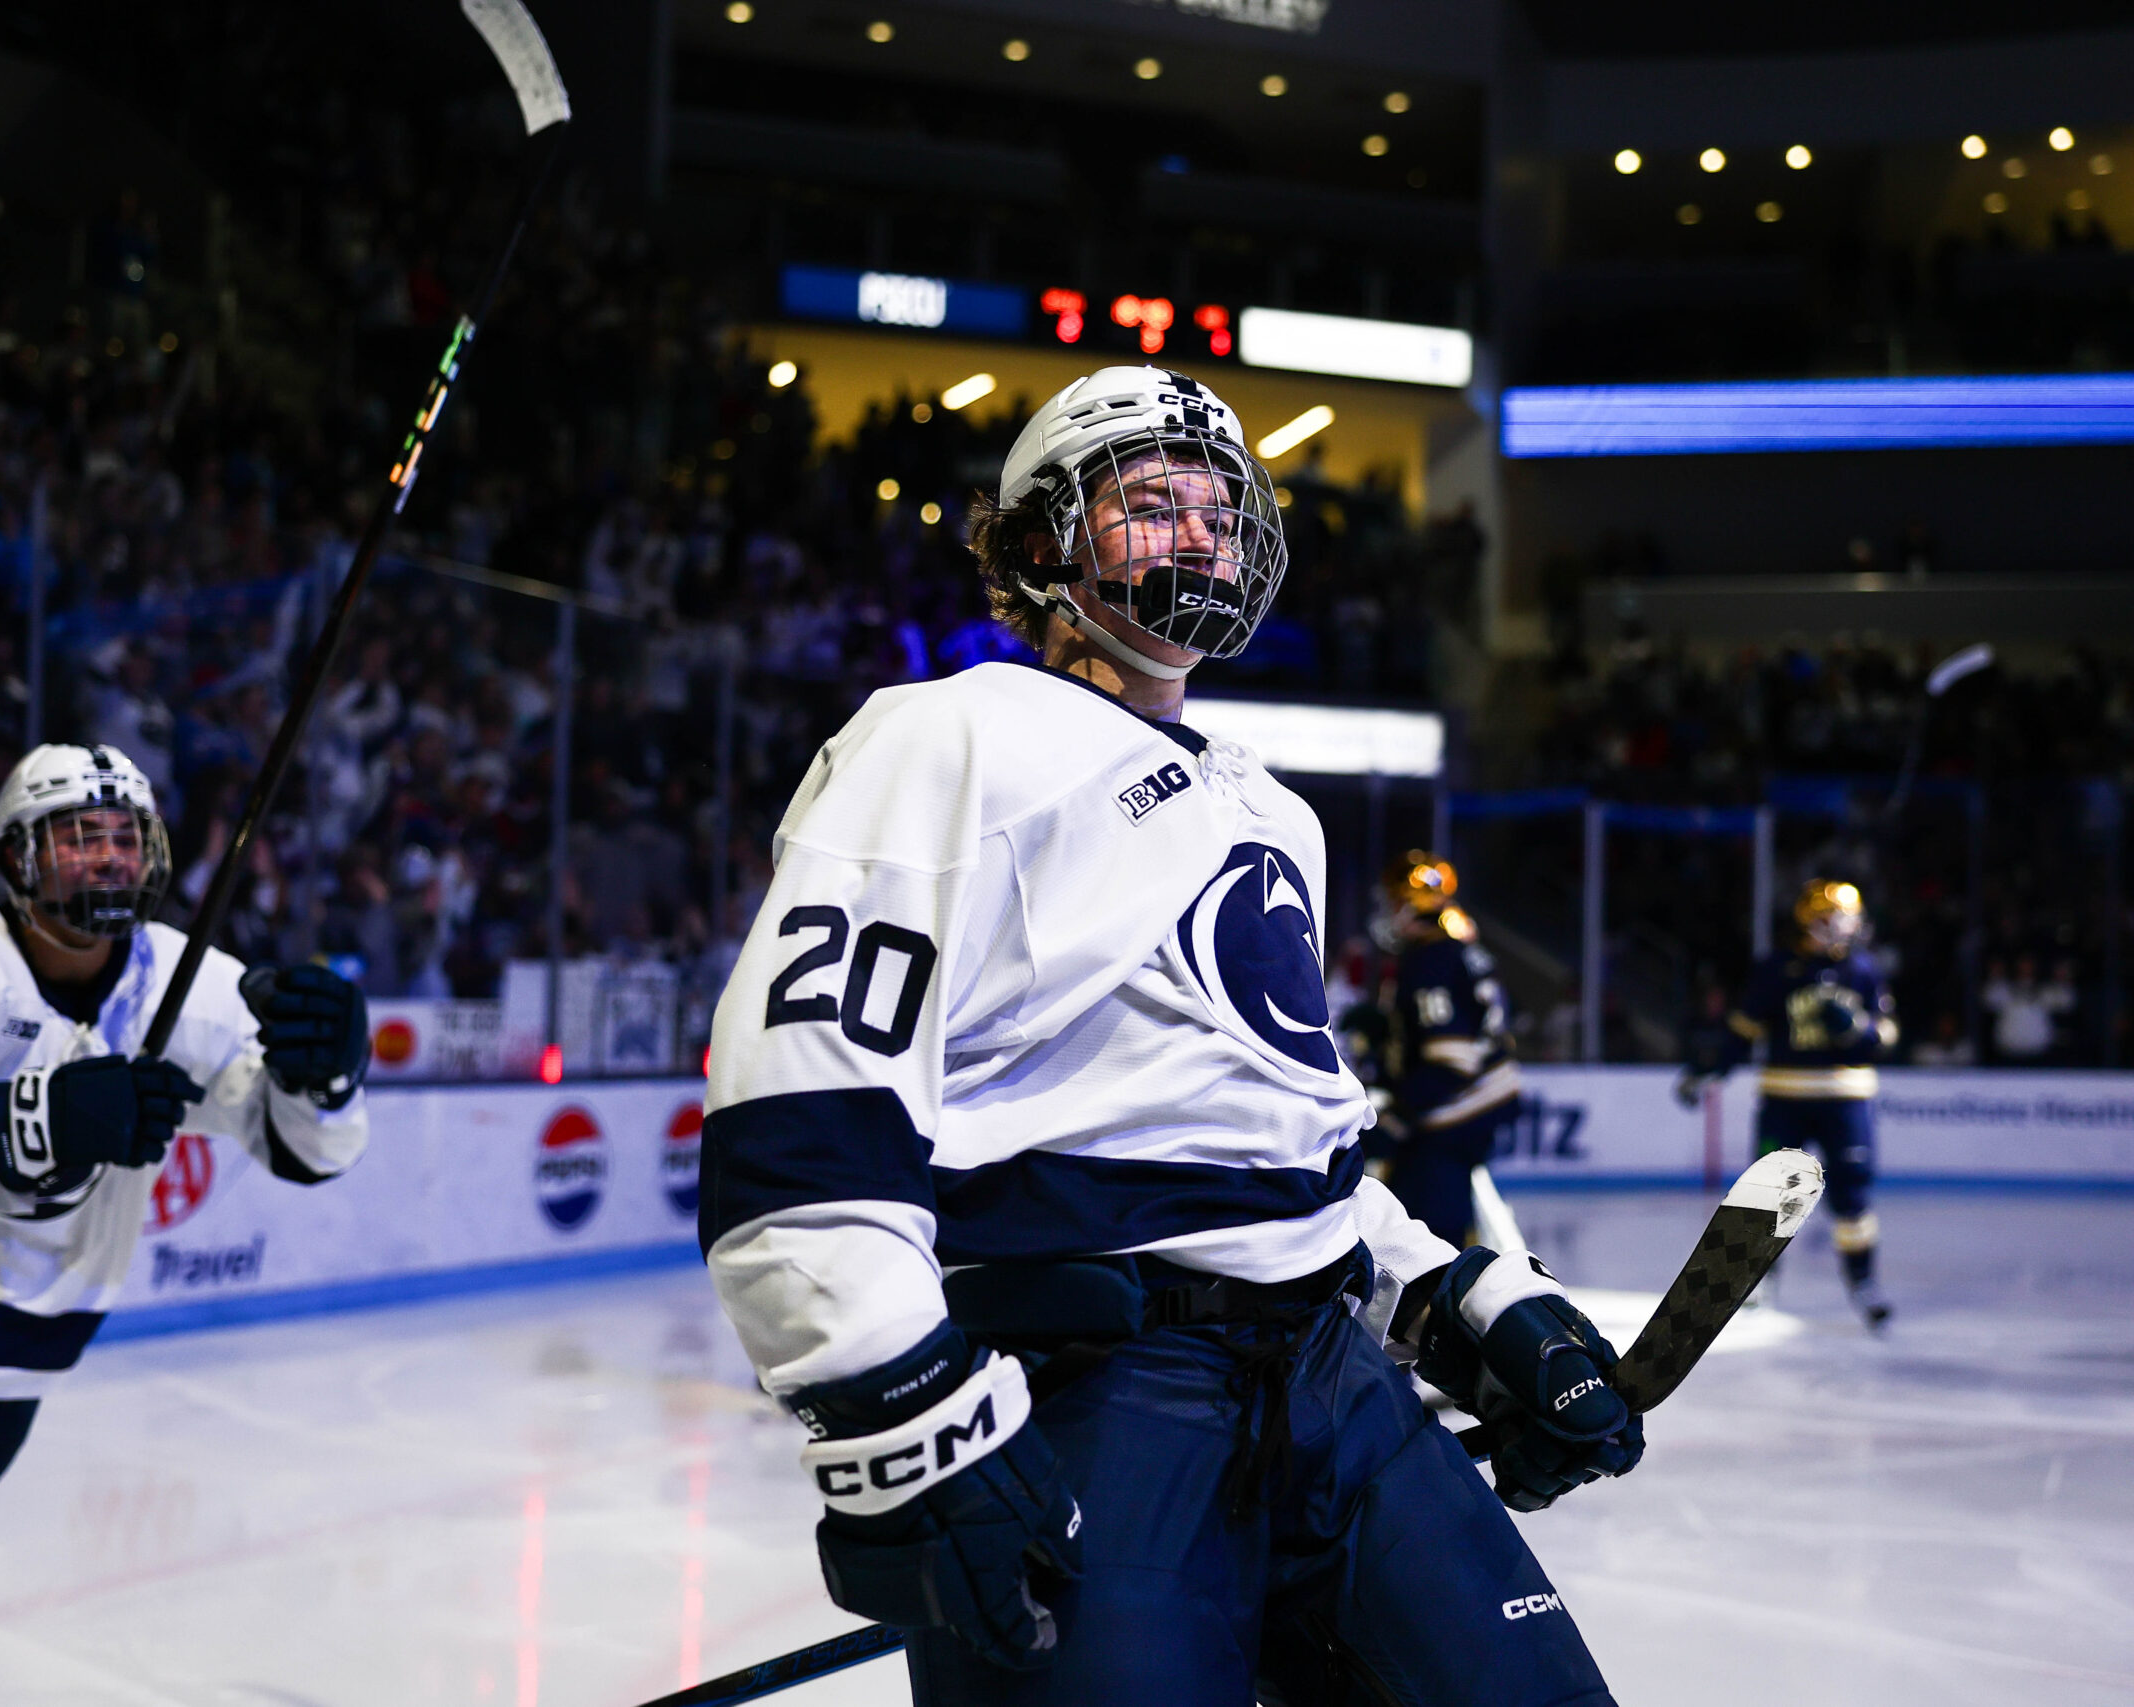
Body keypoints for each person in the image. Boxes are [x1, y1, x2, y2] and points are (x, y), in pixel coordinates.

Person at [700, 367, 1641, 1705]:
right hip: (1098, 1386)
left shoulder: (1271, 806)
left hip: (1333, 1385)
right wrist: (895, 1411)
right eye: (1152, 504)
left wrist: (1451, 1295)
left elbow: (1271, 1145)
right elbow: (805, 1102)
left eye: (1219, 508)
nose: (1201, 535)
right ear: (1038, 547)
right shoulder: (949, 733)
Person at [0, 744, 372, 1703]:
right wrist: (34, 1121)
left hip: (6, 1358)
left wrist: (327, 1077)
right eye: (76, 837)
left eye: (123, 837)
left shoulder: (190, 983)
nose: (105, 857)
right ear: (18, 858)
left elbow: (306, 1149)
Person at [1689, 879, 1897, 1328]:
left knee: (1853, 1194)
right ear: (1817, 920)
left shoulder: (1863, 969)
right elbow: (1745, 1027)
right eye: (1843, 917)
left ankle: (1863, 1281)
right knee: (1768, 1192)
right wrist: (1715, 1065)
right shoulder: (1778, 968)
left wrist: (1857, 1029)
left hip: (1845, 1098)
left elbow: (1886, 1036)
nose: (1852, 926)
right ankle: (1758, 1279)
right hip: (1785, 1095)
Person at [1361, 852, 1527, 1252]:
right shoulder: (1458, 949)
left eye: (1394, 900)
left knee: (1424, 1235)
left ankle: (1448, 1299)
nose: (1388, 911)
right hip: (1480, 1103)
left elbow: (1451, 1060)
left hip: (1457, 1110)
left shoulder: (1430, 960)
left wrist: (1396, 1118)